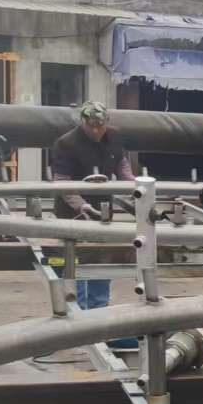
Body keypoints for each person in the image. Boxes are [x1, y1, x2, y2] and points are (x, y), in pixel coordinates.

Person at [49, 100, 135, 313]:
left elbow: (122, 165)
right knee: (75, 259)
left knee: (102, 257)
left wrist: (135, 187)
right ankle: (76, 311)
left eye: (100, 125)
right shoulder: (66, 143)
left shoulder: (114, 137)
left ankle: (99, 309)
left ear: (107, 121)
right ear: (83, 121)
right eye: (91, 126)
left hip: (103, 210)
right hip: (73, 214)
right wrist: (82, 206)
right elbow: (62, 180)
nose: (96, 130)